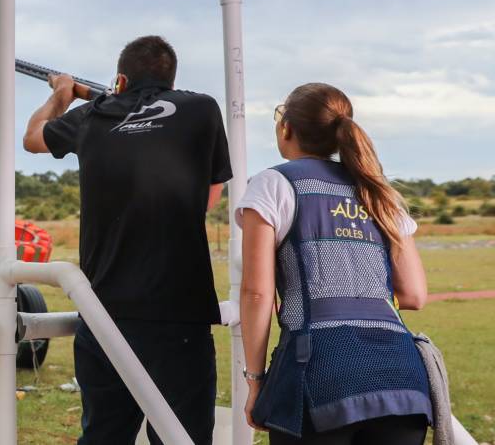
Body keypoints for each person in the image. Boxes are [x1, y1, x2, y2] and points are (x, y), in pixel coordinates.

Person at [23, 35, 232, 444]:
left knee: (105, 435)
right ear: (171, 77)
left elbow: (33, 137)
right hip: (180, 311)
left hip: (104, 313)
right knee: (183, 437)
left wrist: (62, 95)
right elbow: (210, 195)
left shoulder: (93, 114)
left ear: (120, 80)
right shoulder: (202, 108)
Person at [238, 83, 431, 443]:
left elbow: (256, 294)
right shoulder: (377, 192)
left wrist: (256, 381)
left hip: (319, 373)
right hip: (402, 377)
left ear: (286, 128)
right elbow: (415, 295)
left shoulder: (274, 183)